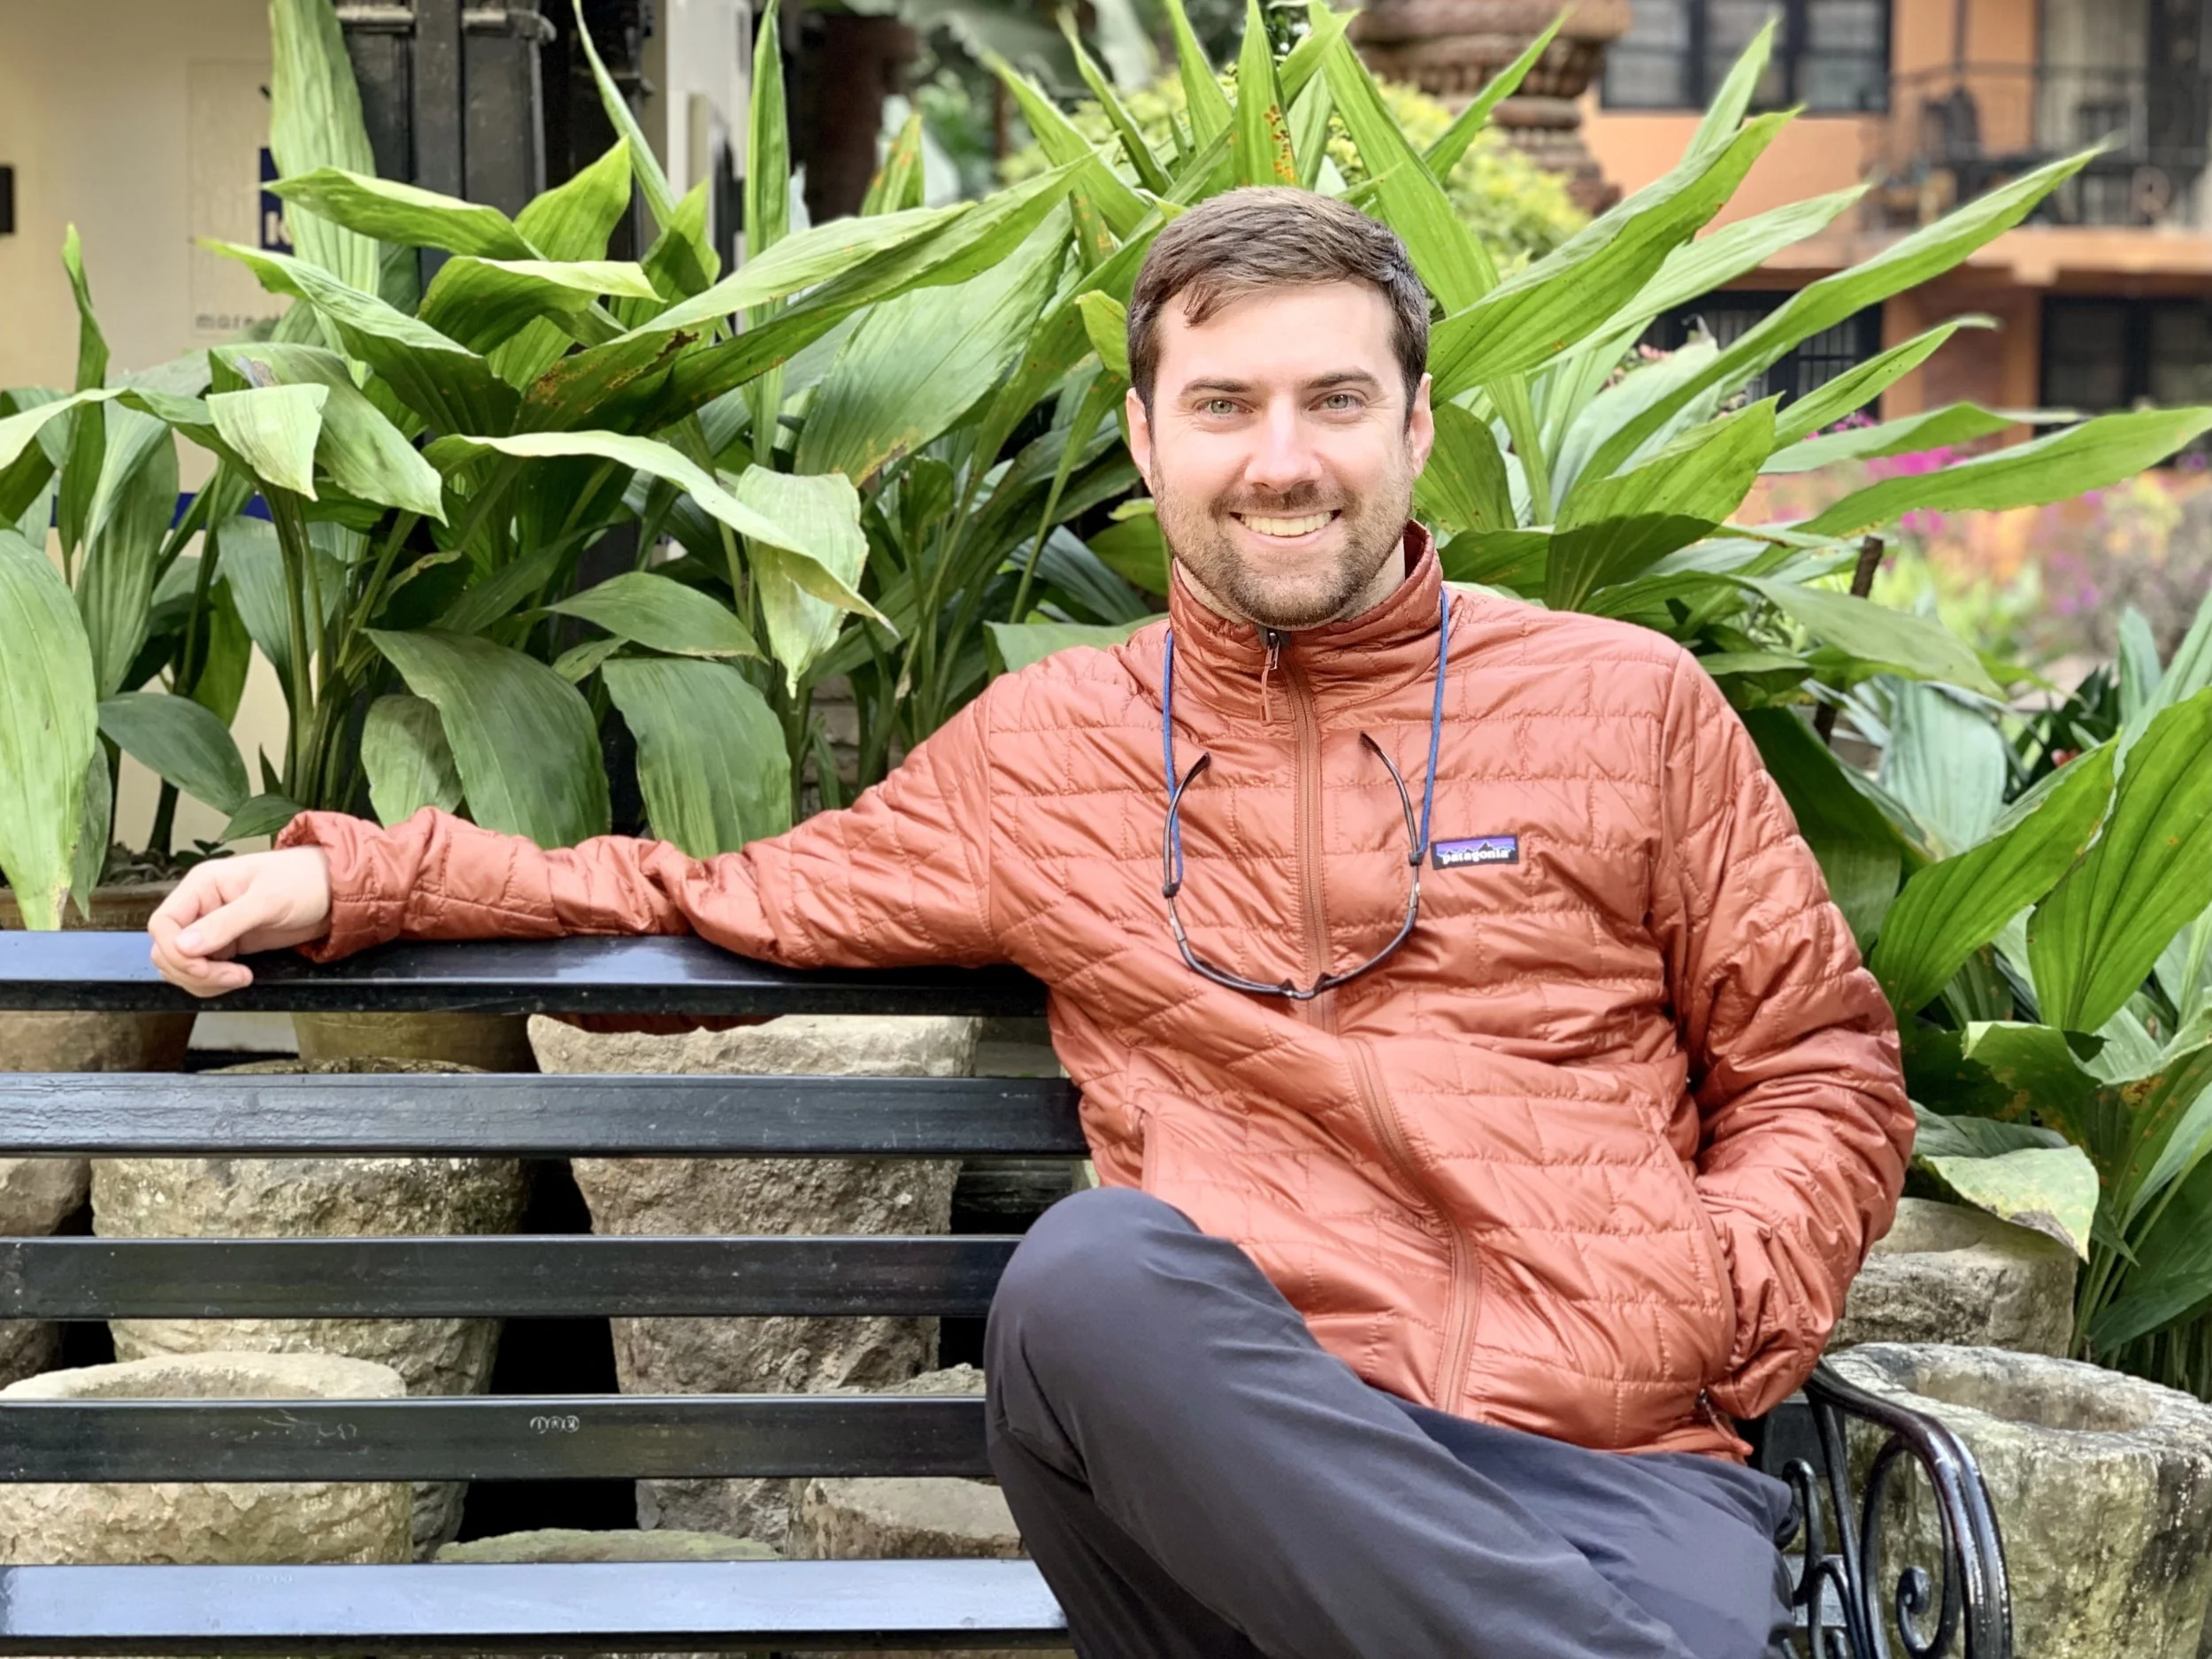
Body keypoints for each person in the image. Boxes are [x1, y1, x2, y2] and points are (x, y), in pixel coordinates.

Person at [150, 187, 1912, 1659]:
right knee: (1085, 1277)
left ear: (1414, 424)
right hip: (1248, 1477)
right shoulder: (1049, 750)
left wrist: (1712, 1300)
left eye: (1333, 402)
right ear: (1145, 439)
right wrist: (367, 881)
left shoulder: (1627, 704)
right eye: (1222, 406)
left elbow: (1813, 1060)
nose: (1279, 461)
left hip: (1609, 1468)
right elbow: (720, 901)